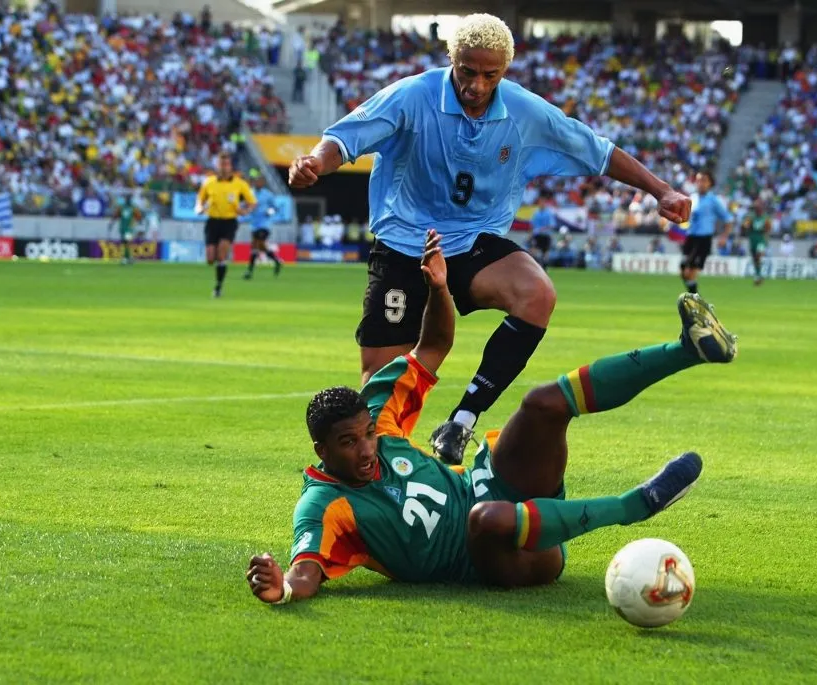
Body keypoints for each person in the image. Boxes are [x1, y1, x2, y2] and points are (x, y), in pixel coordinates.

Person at [245, 230, 737, 603]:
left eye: (368, 434)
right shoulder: (325, 505)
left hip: (494, 482)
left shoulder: (379, 412)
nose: (367, 448)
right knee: (486, 518)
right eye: (350, 443)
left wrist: (438, 287)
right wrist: (282, 589)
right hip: (498, 556)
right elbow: (305, 571)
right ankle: (637, 505)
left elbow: (433, 344)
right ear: (322, 452)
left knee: (543, 404)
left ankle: (688, 350)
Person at [287, 14, 691, 466]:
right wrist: (313, 164)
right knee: (381, 389)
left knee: (537, 294)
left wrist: (662, 190)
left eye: (489, 74)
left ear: (505, 70)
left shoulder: (524, 111)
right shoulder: (412, 95)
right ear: (451, 60)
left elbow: (596, 150)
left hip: (472, 242)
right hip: (403, 245)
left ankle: (462, 420)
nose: (477, 85)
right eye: (467, 71)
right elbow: (344, 139)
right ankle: (385, 481)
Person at [196, 153, 256, 298]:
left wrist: (245, 211)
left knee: (221, 255)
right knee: (210, 258)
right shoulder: (208, 182)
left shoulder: (239, 183)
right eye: (221, 164)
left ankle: (218, 287)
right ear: (217, 166)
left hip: (229, 222)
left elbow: (252, 202)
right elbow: (199, 200)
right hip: (212, 221)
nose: (224, 167)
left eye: (226, 164)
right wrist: (199, 209)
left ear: (230, 166)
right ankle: (219, 265)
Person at [680, 171, 732, 294]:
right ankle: (695, 297)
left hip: (704, 239)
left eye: (704, 180)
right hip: (690, 237)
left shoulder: (713, 200)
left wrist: (724, 237)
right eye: (698, 180)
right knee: (683, 270)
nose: (700, 183)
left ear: (710, 183)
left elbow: (728, 219)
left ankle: (694, 299)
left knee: (690, 271)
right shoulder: (692, 198)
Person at [243, 169, 282, 280]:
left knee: (256, 244)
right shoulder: (250, 193)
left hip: (265, 224)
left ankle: (249, 272)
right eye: (256, 181)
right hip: (254, 224)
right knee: (259, 247)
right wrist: (247, 209)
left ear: (263, 182)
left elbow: (275, 208)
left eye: (260, 181)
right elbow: (246, 205)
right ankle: (276, 261)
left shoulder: (268, 195)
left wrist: (269, 212)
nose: (257, 183)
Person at [742, 197, 770, 285]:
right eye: (756, 207)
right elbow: (745, 225)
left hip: (760, 238)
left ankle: (758, 275)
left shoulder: (765, 217)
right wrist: (745, 226)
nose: (758, 209)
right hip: (753, 238)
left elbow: (768, 228)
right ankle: (758, 275)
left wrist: (766, 238)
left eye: (759, 207)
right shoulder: (751, 216)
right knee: (754, 258)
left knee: (758, 255)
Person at [109, 195, 142, 265]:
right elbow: (115, 216)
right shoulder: (122, 207)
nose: (128, 200)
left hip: (129, 229)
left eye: (129, 199)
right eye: (127, 199)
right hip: (122, 228)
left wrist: (139, 222)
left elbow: (139, 216)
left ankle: (126, 258)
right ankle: (128, 258)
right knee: (124, 242)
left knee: (127, 242)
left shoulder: (133, 207)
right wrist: (111, 223)